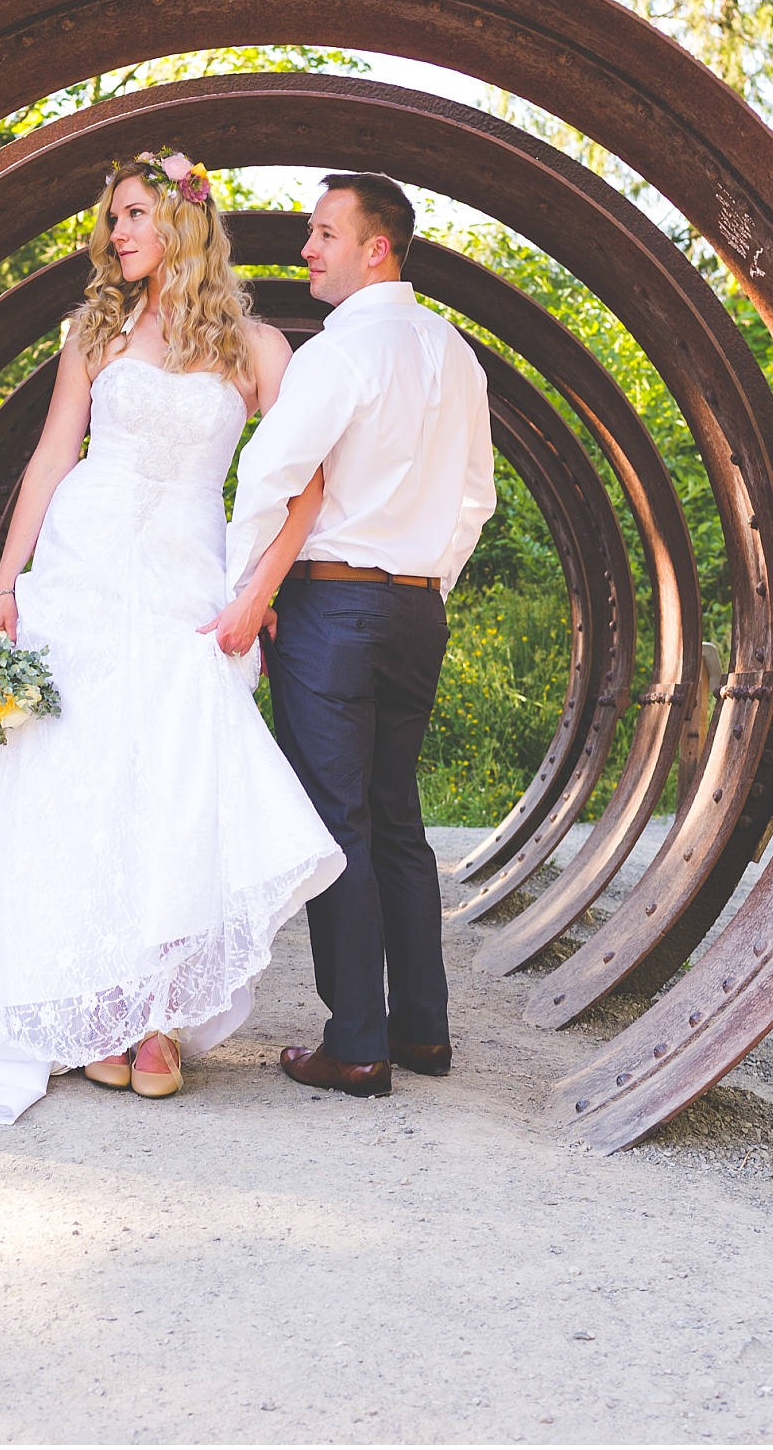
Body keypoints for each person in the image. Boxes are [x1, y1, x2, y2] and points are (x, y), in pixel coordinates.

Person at [0, 151, 344, 1124]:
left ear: (182, 221)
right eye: (110, 219)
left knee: (171, 787)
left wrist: (257, 594)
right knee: (74, 788)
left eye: (129, 214)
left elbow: (305, 486)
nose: (113, 234)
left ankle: (157, 1018)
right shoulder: (95, 329)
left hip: (188, 585)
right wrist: (3, 585)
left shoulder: (257, 350)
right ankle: (98, 1014)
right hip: (79, 569)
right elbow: (47, 458)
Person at [216, 173, 495, 1099]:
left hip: (334, 610)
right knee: (399, 821)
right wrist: (424, 579)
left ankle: (357, 1042)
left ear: (378, 247)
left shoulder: (341, 353)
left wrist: (243, 591)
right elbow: (475, 501)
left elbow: (272, 473)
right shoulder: (458, 356)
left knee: (341, 823)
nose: (307, 250)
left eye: (324, 233)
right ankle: (422, 1030)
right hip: (418, 612)